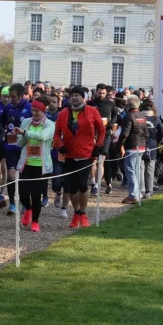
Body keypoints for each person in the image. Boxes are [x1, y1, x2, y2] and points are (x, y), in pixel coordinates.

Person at [52, 86, 105, 228]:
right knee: (72, 186)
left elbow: (101, 130)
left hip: (85, 153)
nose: (74, 98)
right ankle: (76, 213)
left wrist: (98, 146)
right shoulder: (64, 113)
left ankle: (84, 213)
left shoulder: (92, 111)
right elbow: (56, 133)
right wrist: (59, 144)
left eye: (77, 95)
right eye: (72, 95)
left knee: (82, 184)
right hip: (68, 153)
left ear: (84, 97)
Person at [15, 99, 55, 232]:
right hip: (27, 164)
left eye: (37, 111)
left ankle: (35, 222)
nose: (34, 113)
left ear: (43, 111)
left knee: (37, 195)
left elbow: (43, 137)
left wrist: (25, 133)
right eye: (32, 110)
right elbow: (20, 144)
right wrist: (20, 136)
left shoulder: (50, 124)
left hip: (41, 166)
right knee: (23, 194)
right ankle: (28, 209)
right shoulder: (26, 122)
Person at [1, 84, 32, 215]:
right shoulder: (7, 108)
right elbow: (2, 124)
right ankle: (13, 204)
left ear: (21, 96)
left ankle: (26, 203)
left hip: (25, 146)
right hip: (11, 146)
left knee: (25, 176)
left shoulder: (30, 108)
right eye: (9, 96)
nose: (10, 99)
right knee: (10, 175)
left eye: (13, 97)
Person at [88, 83, 119, 195]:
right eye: (100, 93)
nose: (101, 95)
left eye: (103, 93)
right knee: (93, 160)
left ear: (106, 93)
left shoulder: (110, 104)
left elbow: (116, 115)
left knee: (102, 159)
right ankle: (93, 183)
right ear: (96, 92)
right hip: (92, 134)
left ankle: (97, 185)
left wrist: (110, 124)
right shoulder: (90, 104)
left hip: (106, 134)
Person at [119, 95, 149, 204]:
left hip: (132, 146)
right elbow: (146, 133)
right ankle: (138, 193)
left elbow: (124, 134)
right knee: (136, 171)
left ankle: (133, 195)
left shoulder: (129, 116)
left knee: (130, 171)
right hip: (141, 146)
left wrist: (119, 145)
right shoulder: (142, 115)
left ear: (128, 105)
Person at [140, 98, 163, 198]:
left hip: (140, 144)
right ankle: (149, 191)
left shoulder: (139, 116)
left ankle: (141, 190)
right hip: (152, 145)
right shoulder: (156, 118)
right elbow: (162, 132)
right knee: (150, 169)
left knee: (140, 169)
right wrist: (157, 140)